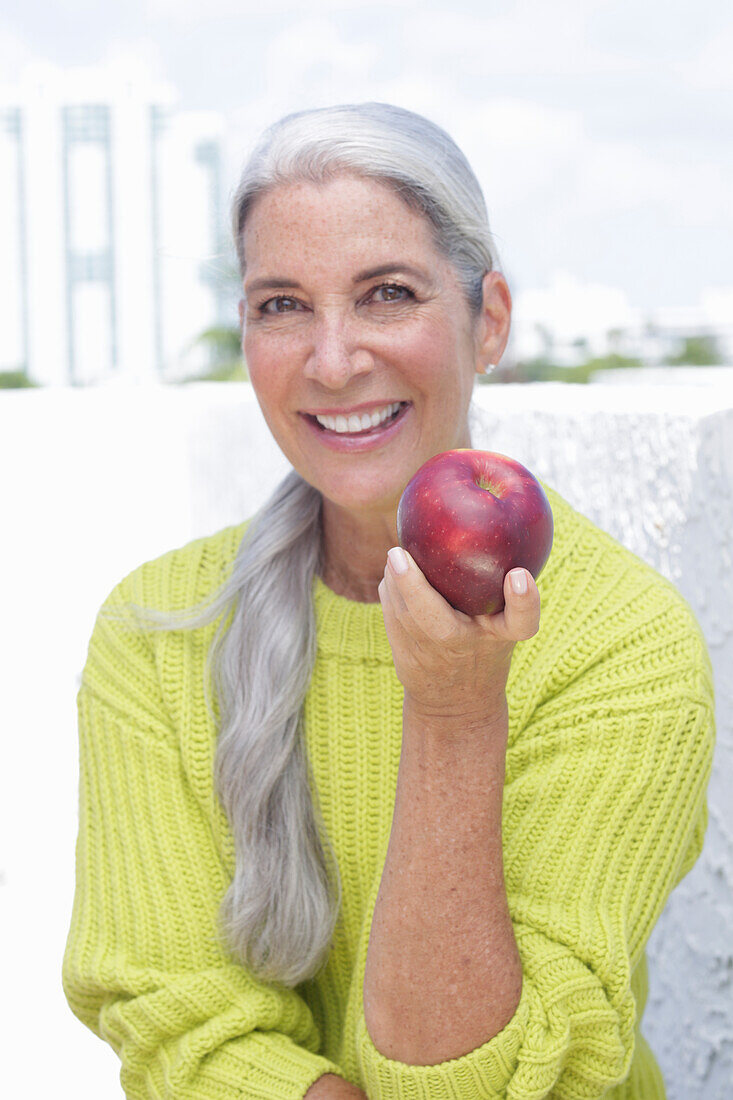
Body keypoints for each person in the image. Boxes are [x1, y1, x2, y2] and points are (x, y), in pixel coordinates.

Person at [62, 103, 715, 1100]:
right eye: (281, 304)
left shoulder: (618, 642)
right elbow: (176, 1019)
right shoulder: (158, 630)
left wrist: (455, 713)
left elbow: (475, 1083)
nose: (332, 361)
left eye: (386, 294)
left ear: (486, 318)